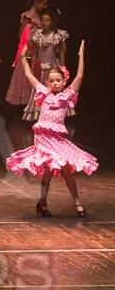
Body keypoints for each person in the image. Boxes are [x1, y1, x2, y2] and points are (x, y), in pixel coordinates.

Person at [6, 41, 96, 217]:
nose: (55, 83)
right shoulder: (43, 92)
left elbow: (79, 77)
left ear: (63, 81)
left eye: (58, 80)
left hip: (58, 139)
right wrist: (23, 56)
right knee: (47, 170)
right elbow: (28, 73)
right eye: (52, 81)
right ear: (47, 82)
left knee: (66, 171)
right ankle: (43, 202)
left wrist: (81, 56)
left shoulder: (66, 96)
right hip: (43, 139)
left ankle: (76, 201)